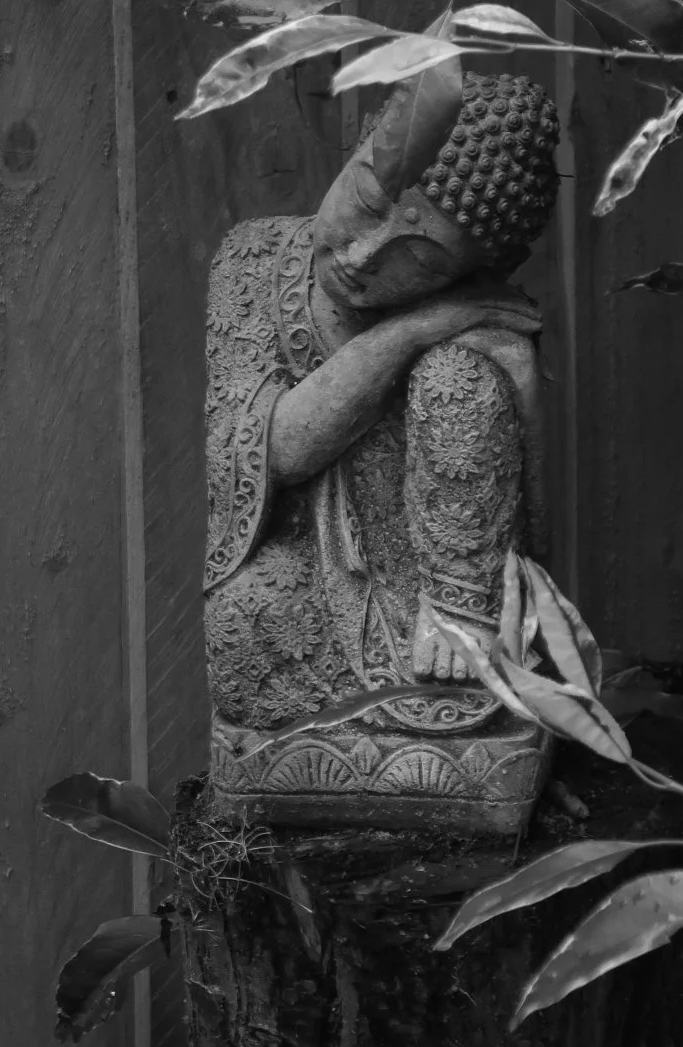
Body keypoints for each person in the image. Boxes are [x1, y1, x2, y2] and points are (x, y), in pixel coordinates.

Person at [203, 69, 561, 831]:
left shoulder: (476, 324)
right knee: (237, 626)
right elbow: (273, 450)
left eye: (420, 260)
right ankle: (402, 745)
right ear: (356, 147)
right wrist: (407, 330)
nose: (365, 254)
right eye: (365, 201)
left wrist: (480, 362)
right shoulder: (252, 261)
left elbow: (521, 484)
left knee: (463, 372)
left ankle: (462, 638)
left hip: (440, 602)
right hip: (313, 574)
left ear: (470, 270)